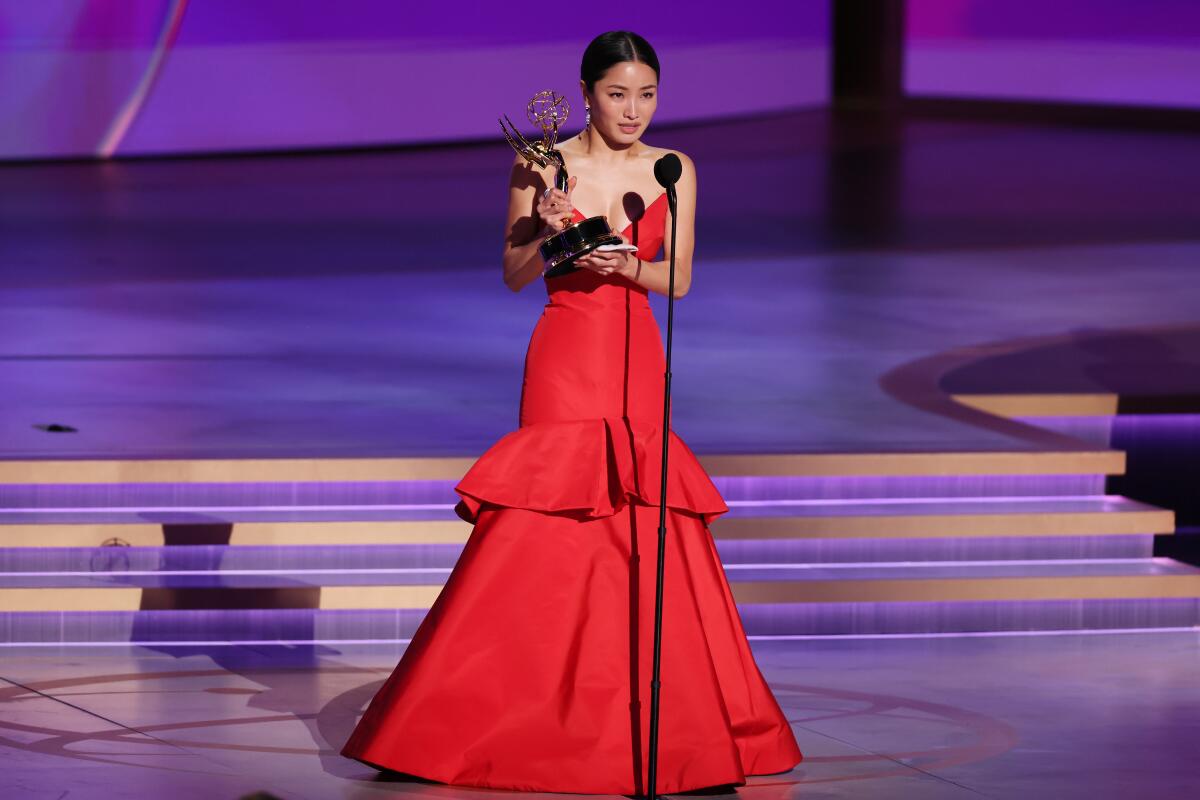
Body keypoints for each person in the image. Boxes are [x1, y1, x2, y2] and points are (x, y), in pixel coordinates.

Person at [340, 30, 803, 795]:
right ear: (587, 92)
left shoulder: (673, 169)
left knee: (641, 519)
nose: (633, 109)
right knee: (542, 520)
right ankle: (454, 721)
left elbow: (679, 281)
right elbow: (514, 273)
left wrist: (633, 265)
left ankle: (671, 726)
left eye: (647, 94)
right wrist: (553, 234)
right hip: (567, 354)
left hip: (636, 353)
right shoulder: (543, 163)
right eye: (619, 94)